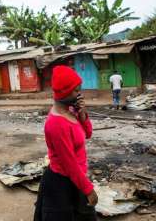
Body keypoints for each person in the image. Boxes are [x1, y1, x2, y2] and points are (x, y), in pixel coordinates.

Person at [34, 66, 98, 221]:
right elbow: (69, 163)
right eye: (76, 91)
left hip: (77, 177)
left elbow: (88, 134)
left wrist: (82, 113)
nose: (80, 94)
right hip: (62, 182)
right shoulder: (56, 124)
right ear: (64, 93)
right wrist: (88, 190)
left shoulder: (71, 111)